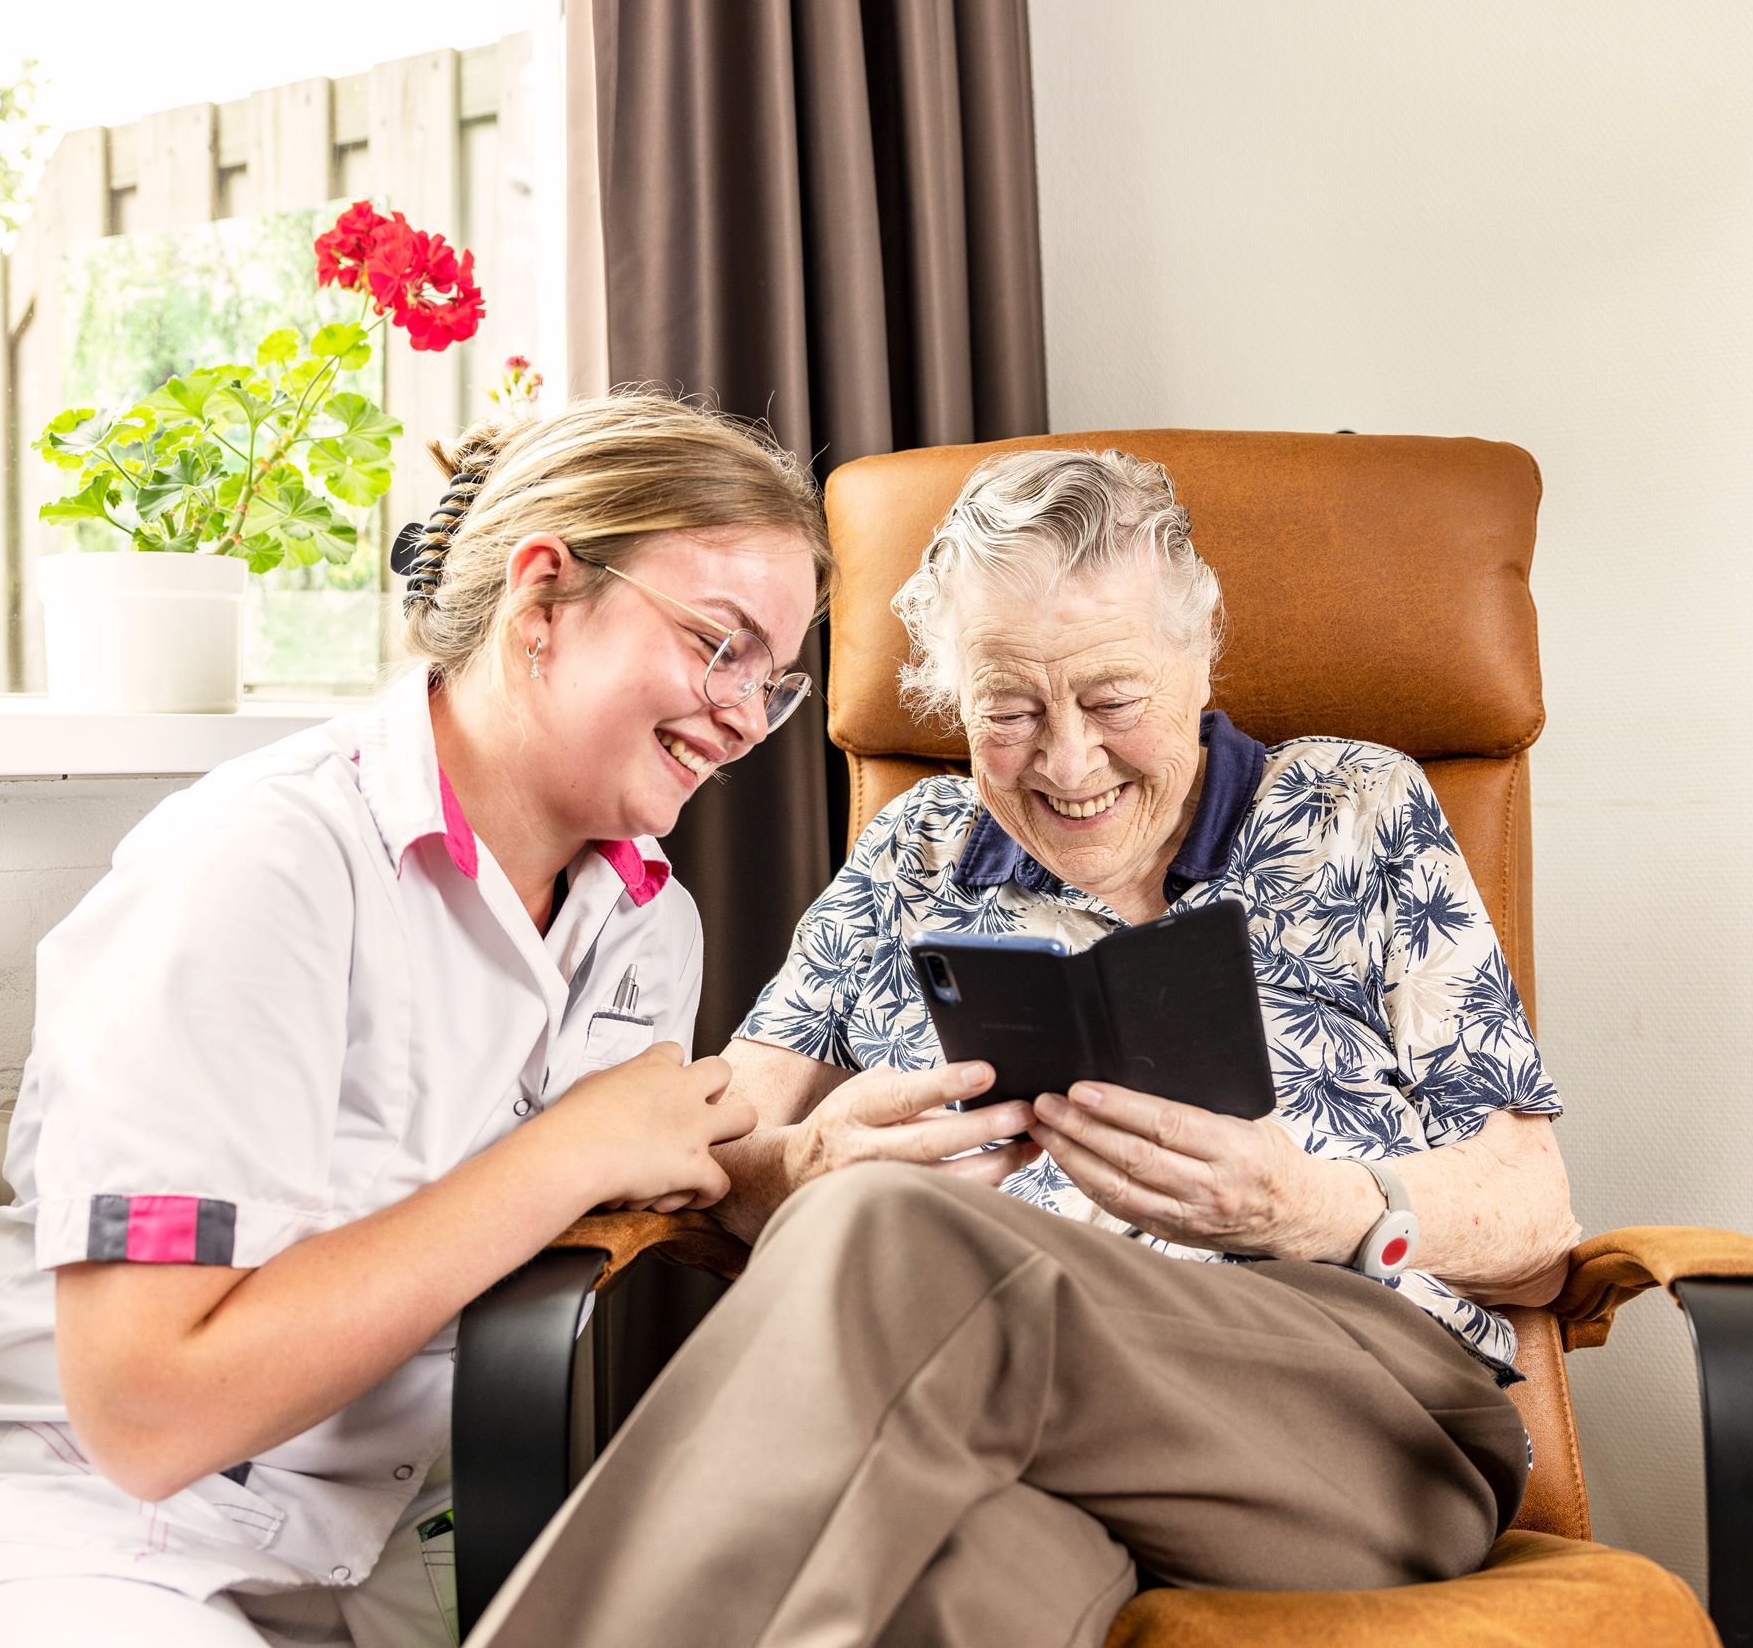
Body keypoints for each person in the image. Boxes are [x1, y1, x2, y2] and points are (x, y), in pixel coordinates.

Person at [0, 392, 831, 1648]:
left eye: (778, 679)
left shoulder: (643, 919)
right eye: (718, 643)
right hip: (63, 1539)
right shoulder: (264, 865)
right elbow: (148, 1414)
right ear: (542, 598)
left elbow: (578, 1179)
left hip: (356, 1557)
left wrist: (762, 1174)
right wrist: (571, 1147)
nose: (746, 714)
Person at [469, 446, 1585, 1648]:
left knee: (886, 1234)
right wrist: (793, 1166)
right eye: (1007, 709)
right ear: (952, 703)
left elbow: (1533, 1220)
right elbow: (706, 1136)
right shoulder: (914, 851)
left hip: (1350, 1424)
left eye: (1111, 699)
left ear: (1199, 654)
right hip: (1006, 1441)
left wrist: (1316, 1203)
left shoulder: (1353, 809)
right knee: (946, 1588)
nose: (1065, 760)